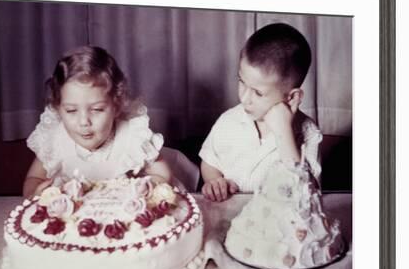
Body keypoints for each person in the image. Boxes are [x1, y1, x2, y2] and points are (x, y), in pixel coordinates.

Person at [23, 45, 172, 199]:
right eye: (71, 111)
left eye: (97, 109)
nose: (84, 122)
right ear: (58, 108)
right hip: (73, 220)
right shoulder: (54, 139)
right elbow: (34, 179)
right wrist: (35, 194)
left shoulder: (132, 136)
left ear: (116, 106)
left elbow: (162, 174)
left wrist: (147, 188)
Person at [199, 22, 322, 202]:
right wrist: (215, 181)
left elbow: (307, 197)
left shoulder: (309, 133)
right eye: (241, 81)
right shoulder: (229, 120)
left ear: (291, 97)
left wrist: (283, 133)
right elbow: (210, 162)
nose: (244, 98)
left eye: (258, 93)